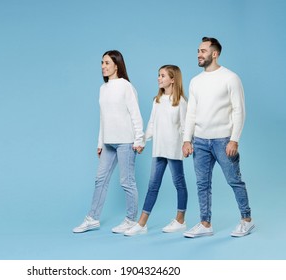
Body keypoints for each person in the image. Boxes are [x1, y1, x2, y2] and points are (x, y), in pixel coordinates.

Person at [182, 37, 255, 238]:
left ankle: (247, 220)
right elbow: (191, 112)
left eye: (203, 51)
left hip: (223, 140)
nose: (199, 54)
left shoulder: (230, 78)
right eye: (198, 50)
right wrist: (187, 139)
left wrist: (234, 139)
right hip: (200, 141)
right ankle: (205, 224)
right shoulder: (195, 81)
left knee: (234, 180)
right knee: (202, 184)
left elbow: (239, 110)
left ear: (215, 53)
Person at [73, 50, 144, 234]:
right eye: (102, 63)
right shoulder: (102, 89)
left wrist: (139, 139)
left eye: (106, 63)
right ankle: (92, 219)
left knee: (127, 182)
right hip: (108, 142)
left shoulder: (126, 86)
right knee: (100, 180)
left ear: (116, 65)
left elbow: (135, 114)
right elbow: (103, 118)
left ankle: (130, 220)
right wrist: (100, 143)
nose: (103, 66)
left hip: (126, 142)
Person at [124, 65, 188, 236]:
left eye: (162, 76)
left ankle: (180, 220)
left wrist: (187, 144)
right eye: (158, 75)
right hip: (159, 149)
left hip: (173, 149)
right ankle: (142, 223)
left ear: (173, 79)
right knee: (153, 186)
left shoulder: (180, 102)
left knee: (179, 183)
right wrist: (143, 141)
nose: (159, 78)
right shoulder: (157, 101)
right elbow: (151, 124)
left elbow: (185, 127)